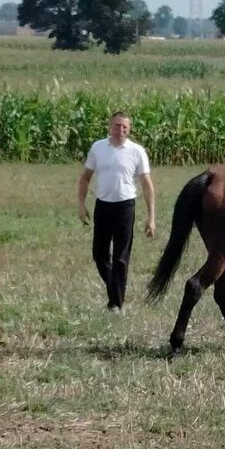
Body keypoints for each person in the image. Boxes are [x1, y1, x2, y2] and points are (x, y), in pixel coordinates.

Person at [77, 111, 155, 313]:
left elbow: (146, 185)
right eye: (117, 126)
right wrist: (81, 203)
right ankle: (115, 291)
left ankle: (115, 304)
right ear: (110, 127)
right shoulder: (98, 148)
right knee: (99, 254)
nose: (120, 130)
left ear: (129, 129)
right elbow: (85, 177)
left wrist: (151, 217)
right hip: (102, 206)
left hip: (125, 207)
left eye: (125, 127)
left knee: (121, 258)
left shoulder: (137, 151)